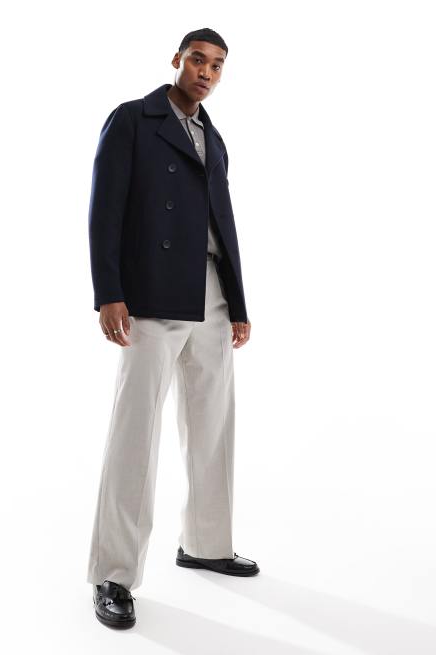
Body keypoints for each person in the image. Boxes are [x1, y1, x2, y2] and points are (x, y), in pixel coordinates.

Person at [87, 27, 259, 629]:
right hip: (152, 295)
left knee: (213, 425)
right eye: (197, 60)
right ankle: (113, 573)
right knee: (136, 433)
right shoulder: (133, 120)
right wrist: (109, 293)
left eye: (217, 65)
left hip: (210, 293)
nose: (206, 72)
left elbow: (223, 222)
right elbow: (104, 209)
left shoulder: (214, 136)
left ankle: (206, 544)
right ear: (177, 60)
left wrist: (238, 303)